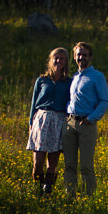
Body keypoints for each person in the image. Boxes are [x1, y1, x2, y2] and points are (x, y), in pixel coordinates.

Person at [63, 41, 108, 198]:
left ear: (90, 57)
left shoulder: (97, 76)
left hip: (87, 124)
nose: (81, 57)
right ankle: (70, 197)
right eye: (78, 54)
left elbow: (105, 101)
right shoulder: (75, 77)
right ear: (74, 57)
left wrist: (92, 118)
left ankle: (90, 198)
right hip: (69, 122)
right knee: (69, 165)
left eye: (84, 54)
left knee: (86, 166)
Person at [26, 46, 71, 195]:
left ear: (65, 62)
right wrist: (31, 125)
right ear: (51, 60)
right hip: (41, 120)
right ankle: (37, 188)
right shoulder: (42, 80)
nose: (58, 61)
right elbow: (34, 104)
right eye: (56, 58)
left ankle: (47, 192)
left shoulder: (68, 82)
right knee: (38, 162)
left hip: (59, 120)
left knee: (52, 163)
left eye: (62, 58)